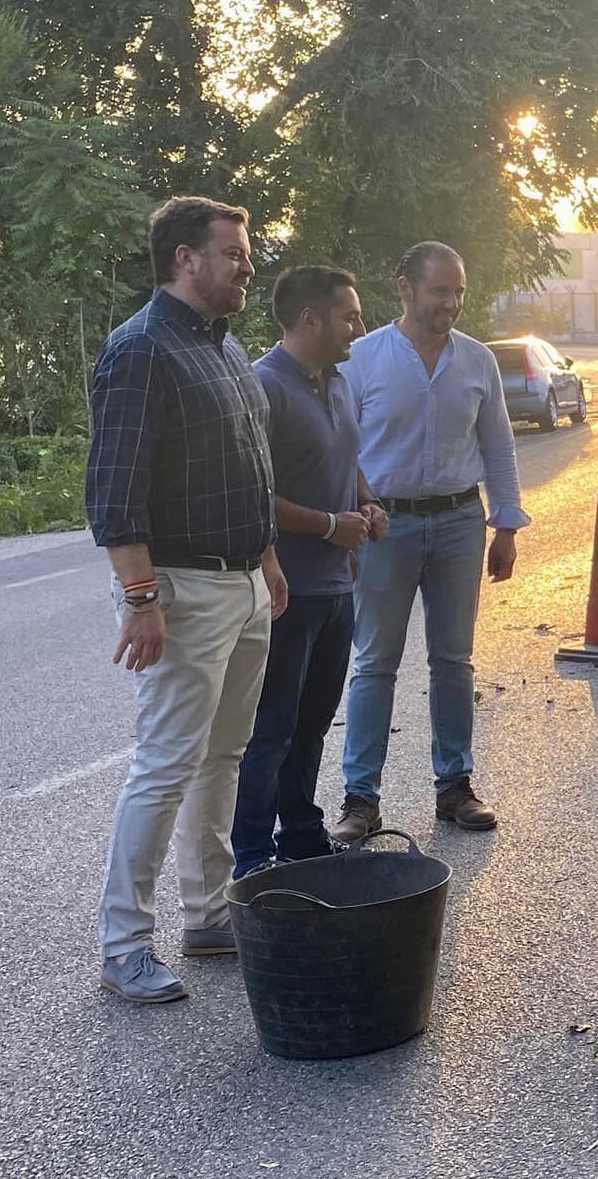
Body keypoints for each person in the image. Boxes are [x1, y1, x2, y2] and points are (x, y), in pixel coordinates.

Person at [85, 196, 288, 1004]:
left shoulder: (225, 345)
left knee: (223, 756)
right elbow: (113, 493)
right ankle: (124, 944)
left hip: (241, 584)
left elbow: (246, 466)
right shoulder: (140, 352)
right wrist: (140, 597)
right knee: (165, 764)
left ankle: (208, 916)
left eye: (245, 253)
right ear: (184, 259)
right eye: (233, 253)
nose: (247, 266)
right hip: (180, 586)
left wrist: (266, 558)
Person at [331, 242, 528, 839]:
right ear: (406, 289)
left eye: (459, 291)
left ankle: (455, 787)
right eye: (441, 291)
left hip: (459, 523)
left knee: (453, 661)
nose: (452, 303)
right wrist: (350, 525)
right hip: (384, 527)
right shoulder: (362, 358)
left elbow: (496, 445)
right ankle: (361, 800)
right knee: (374, 664)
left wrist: (507, 525)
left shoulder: (475, 361)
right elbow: (339, 446)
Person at [230, 267, 389, 878]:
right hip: (284, 591)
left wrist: (369, 502)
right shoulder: (263, 387)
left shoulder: (340, 382)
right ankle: (252, 856)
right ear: (310, 319)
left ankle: (300, 832)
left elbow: (347, 463)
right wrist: (328, 525)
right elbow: (252, 495)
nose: (361, 327)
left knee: (315, 721)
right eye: (350, 316)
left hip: (336, 589)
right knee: (272, 726)